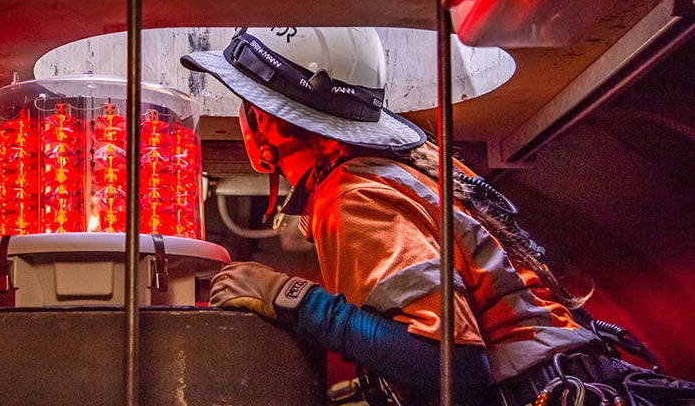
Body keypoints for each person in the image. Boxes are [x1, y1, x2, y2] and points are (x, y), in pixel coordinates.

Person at [179, 27, 667, 405]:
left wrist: (289, 298)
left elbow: (453, 370)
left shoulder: (353, 198)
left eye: (247, 102)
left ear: (265, 120)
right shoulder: (408, 167)